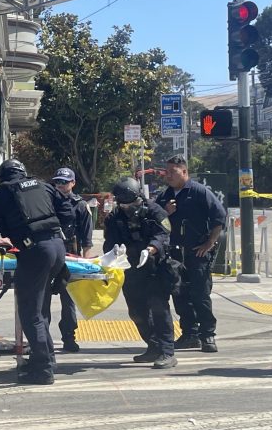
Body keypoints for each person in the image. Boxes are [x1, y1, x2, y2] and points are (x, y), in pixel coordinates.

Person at [0, 159, 68, 385]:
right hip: (58, 247)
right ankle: (47, 359)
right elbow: (67, 210)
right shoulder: (44, 185)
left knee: (30, 313)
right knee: (40, 309)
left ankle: (43, 370)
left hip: (35, 252)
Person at [155, 155, 227, 353]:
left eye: (173, 172)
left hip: (197, 253)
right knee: (180, 295)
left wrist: (210, 243)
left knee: (200, 295)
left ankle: (208, 335)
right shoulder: (164, 196)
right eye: (166, 172)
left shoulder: (199, 192)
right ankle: (189, 334)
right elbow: (153, 221)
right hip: (174, 254)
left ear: (184, 172)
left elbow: (219, 217)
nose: (168, 176)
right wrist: (164, 212)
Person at [103, 177, 177, 369]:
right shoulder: (115, 217)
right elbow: (109, 243)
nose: (129, 208)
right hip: (130, 269)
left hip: (155, 267)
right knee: (136, 311)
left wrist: (151, 248)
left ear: (140, 197)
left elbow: (163, 234)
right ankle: (152, 346)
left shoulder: (155, 212)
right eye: (124, 204)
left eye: (132, 203)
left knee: (159, 309)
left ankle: (167, 351)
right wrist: (112, 255)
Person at [51, 167, 94, 353]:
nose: (61, 185)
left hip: (71, 255)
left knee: (68, 299)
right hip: (49, 254)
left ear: (73, 183)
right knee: (41, 298)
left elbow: (87, 237)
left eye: (65, 182)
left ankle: (69, 336)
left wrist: (85, 262)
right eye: (58, 182)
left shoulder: (80, 205)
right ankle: (40, 338)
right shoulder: (47, 202)